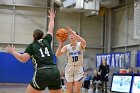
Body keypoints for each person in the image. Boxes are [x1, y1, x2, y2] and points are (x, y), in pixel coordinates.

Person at [6, 9, 62, 93]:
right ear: (43, 36)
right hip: (54, 71)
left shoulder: (31, 46)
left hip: (42, 72)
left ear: (33, 37)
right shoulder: (46, 40)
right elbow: (50, 29)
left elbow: (23, 59)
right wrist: (52, 18)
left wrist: (13, 52)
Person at [55, 26, 86, 93]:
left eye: (73, 34)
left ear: (76, 36)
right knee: (69, 91)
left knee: (77, 91)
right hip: (69, 68)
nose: (71, 35)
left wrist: (73, 33)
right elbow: (57, 54)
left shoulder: (80, 44)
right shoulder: (67, 47)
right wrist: (61, 43)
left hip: (78, 68)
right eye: (70, 34)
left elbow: (84, 42)